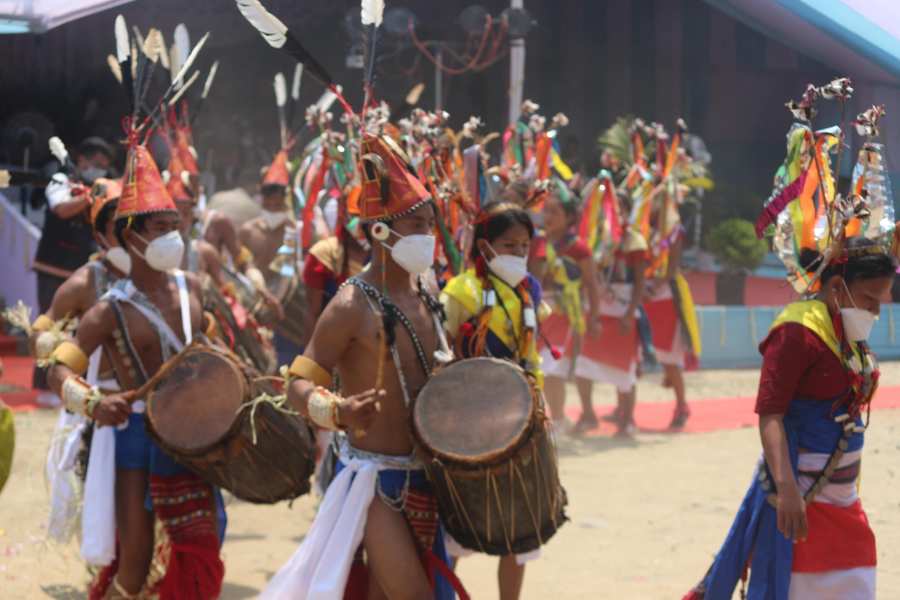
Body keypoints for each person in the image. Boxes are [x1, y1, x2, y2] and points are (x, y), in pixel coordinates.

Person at [260, 133, 464, 599]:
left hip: (428, 476)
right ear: (379, 231)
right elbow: (296, 383)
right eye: (416, 223)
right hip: (373, 483)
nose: (428, 234)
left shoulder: (428, 295)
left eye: (431, 223)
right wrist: (338, 412)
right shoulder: (350, 305)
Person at [46, 142, 225, 599]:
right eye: (161, 227)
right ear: (133, 238)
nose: (173, 235)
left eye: (174, 226)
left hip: (193, 435)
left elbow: (219, 351)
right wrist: (92, 401)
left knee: (204, 544)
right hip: (136, 439)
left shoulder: (195, 289)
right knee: (135, 559)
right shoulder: (108, 310)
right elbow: (58, 371)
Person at [684, 239, 890, 600]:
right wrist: (788, 488)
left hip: (844, 503)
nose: (876, 311)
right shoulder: (796, 334)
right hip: (802, 503)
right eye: (870, 299)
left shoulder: (846, 331)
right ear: (838, 287)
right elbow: (771, 415)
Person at [440, 202, 542, 600]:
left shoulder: (528, 291)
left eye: (524, 246)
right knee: (457, 527)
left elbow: (531, 356)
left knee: (519, 526)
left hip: (520, 422)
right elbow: (442, 352)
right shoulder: (459, 291)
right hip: (468, 425)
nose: (518, 254)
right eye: (509, 245)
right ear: (485, 247)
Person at [32, 137, 116, 407]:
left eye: (104, 166)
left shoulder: (96, 186)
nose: (100, 170)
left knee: (78, 331)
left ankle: (71, 382)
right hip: (52, 266)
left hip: (82, 270)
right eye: (96, 164)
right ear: (81, 161)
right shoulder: (60, 180)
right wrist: (90, 197)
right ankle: (44, 384)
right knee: (50, 328)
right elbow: (61, 209)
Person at [532, 180, 600, 434]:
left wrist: (594, 317)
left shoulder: (579, 248)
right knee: (541, 369)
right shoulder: (538, 244)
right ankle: (554, 418)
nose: (548, 217)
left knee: (553, 369)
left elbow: (591, 284)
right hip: (542, 315)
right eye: (545, 210)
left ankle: (559, 419)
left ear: (570, 217)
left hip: (566, 316)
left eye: (554, 212)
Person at [239, 148, 297, 363]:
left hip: (284, 304)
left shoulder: (290, 230)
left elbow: (287, 268)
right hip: (252, 300)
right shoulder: (247, 230)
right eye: (268, 204)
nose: (273, 209)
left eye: (277, 205)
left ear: (285, 202)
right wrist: (261, 293)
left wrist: (276, 300)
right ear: (261, 201)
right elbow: (244, 266)